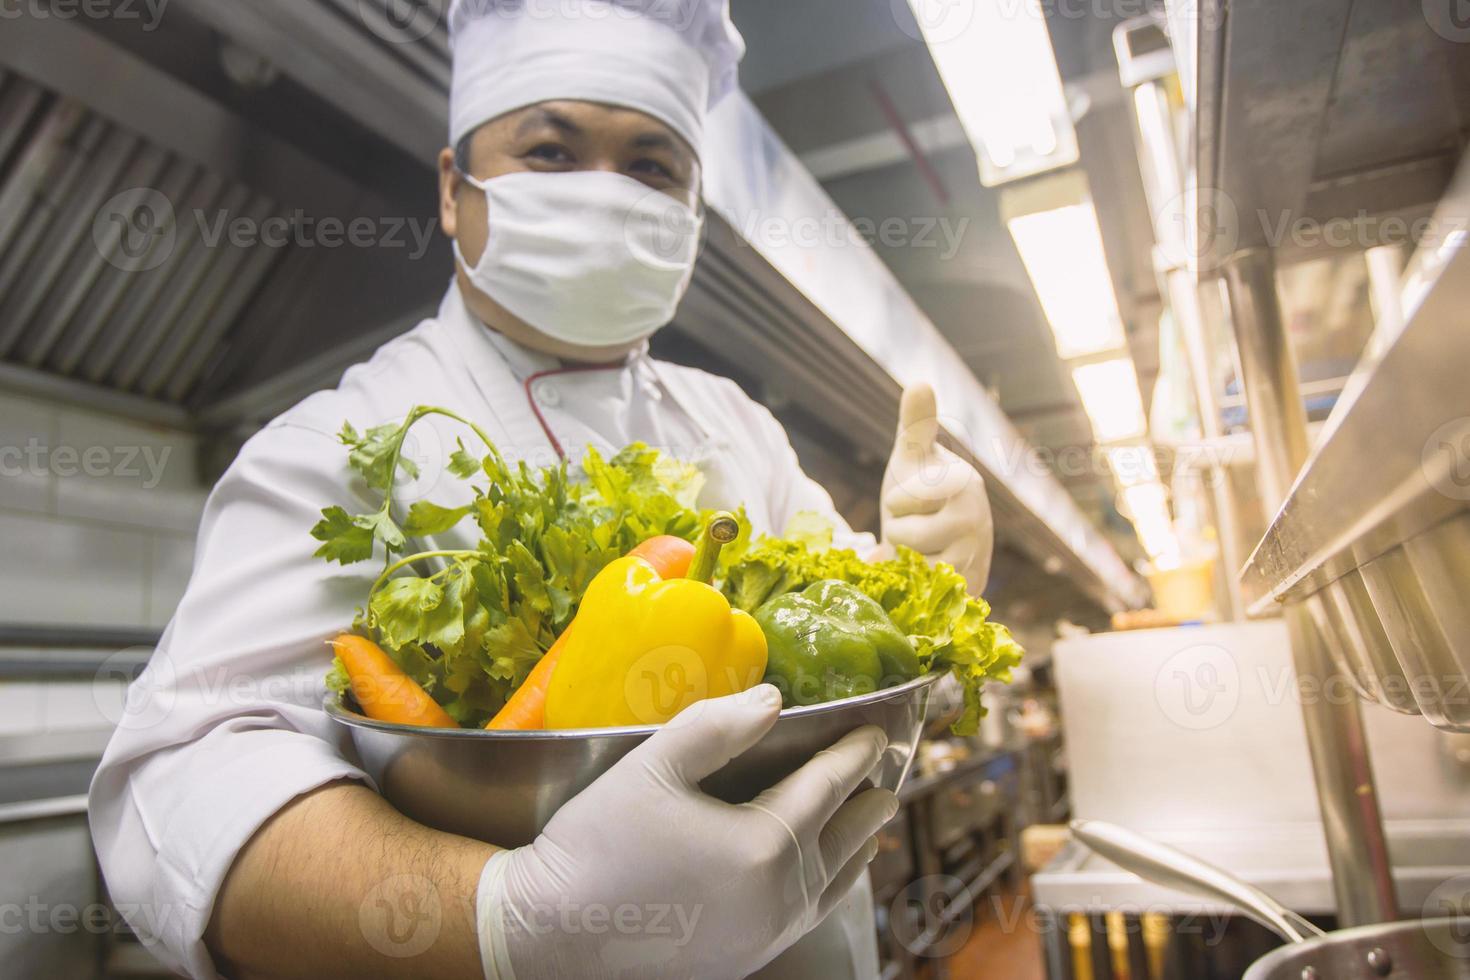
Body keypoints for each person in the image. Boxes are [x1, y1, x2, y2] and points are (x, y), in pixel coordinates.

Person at [88, 1, 995, 977]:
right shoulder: (340, 451)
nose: (604, 194)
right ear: (453, 188)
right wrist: (516, 921)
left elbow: (861, 699)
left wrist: (920, 584)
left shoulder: (740, 428)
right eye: (552, 152)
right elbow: (186, 781)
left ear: (693, 209)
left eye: (652, 166)